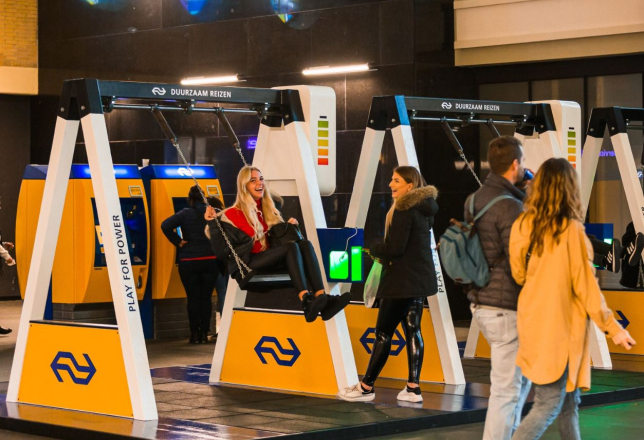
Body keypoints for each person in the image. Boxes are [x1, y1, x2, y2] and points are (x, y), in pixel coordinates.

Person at [509, 158, 635, 440]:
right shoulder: (570, 231)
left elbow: (518, 273)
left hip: (532, 322)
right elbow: (586, 287)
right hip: (560, 329)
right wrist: (613, 328)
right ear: (569, 189)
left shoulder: (522, 225)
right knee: (548, 404)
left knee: (568, 404)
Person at [337, 166, 438, 403]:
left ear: (410, 186)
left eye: (396, 181)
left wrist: (373, 247)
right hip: (419, 280)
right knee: (413, 330)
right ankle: (413, 388)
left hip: (400, 282)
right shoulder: (425, 209)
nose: (391, 184)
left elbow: (395, 249)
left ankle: (365, 387)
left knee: (383, 333)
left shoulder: (403, 209)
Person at [204, 166, 351, 322]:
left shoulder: (268, 210)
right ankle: (306, 300)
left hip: (269, 259)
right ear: (244, 186)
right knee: (291, 247)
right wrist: (212, 223)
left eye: (261, 179)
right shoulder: (232, 215)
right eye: (253, 180)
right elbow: (221, 252)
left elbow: (276, 241)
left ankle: (323, 298)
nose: (259, 183)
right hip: (249, 263)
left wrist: (287, 228)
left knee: (305, 244)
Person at [462, 136, 532, 440]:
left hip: (481, 300)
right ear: (515, 164)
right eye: (523, 162)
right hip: (506, 307)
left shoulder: (474, 200)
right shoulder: (511, 207)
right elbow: (520, 260)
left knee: (518, 383)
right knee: (507, 390)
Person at [161, 185, 222, 344]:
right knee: (206, 298)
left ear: (190, 199)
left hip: (189, 261)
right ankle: (204, 334)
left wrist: (178, 241)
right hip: (210, 260)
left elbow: (165, 225)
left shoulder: (185, 213)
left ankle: (194, 334)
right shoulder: (213, 212)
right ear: (204, 198)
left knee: (193, 298)